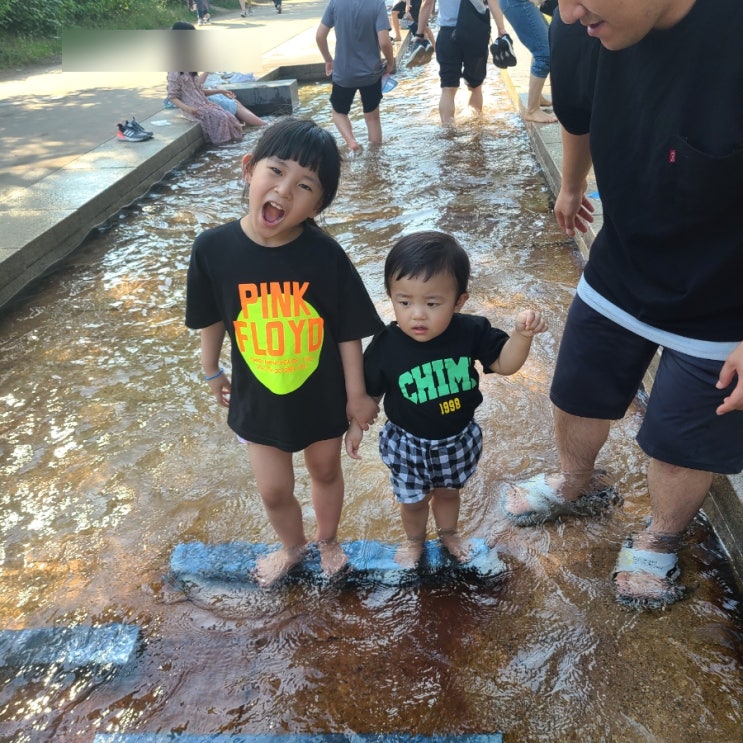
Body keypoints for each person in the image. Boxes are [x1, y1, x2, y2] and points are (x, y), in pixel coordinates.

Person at [502, 0, 743, 611]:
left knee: (681, 439)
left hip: (724, 294)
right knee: (577, 389)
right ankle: (574, 480)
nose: (571, 10)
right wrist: (571, 182)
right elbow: (577, 114)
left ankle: (661, 535)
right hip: (623, 259)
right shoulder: (580, 27)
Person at [185, 117, 384, 586]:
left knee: (325, 469)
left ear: (318, 206)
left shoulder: (324, 255)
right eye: (275, 171)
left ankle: (328, 539)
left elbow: (347, 332)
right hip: (259, 396)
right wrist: (211, 370)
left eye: (305, 185)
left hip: (321, 394)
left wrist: (356, 396)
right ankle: (292, 548)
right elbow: (212, 316)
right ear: (248, 169)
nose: (284, 190)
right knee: (273, 490)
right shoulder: (213, 249)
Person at [346, 231, 547, 567]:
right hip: (407, 442)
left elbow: (505, 364)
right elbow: (370, 393)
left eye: (432, 303)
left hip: (457, 439)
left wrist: (522, 336)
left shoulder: (471, 330)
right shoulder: (386, 345)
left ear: (459, 301)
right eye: (404, 301)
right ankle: (414, 542)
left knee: (449, 492)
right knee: (412, 501)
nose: (417, 314)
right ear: (391, 297)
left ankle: (449, 534)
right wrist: (356, 426)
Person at [415, 0, 512, 125]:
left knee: (448, 88)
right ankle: (475, 131)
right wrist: (501, 29)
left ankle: (448, 131)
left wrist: (420, 33)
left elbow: (427, 3)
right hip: (475, 32)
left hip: (448, 33)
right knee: (475, 86)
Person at [316, 0, 395, 151]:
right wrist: (390, 63)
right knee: (372, 118)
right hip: (371, 74)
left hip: (344, 74)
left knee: (339, 112)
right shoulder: (377, 4)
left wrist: (328, 60)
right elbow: (385, 42)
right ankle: (375, 159)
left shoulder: (335, 3)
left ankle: (351, 142)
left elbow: (320, 36)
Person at [167, 23, 250, 145]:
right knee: (221, 118)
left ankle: (234, 146)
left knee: (228, 116)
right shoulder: (175, 69)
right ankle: (223, 147)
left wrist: (221, 91)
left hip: (203, 104)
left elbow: (198, 90)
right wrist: (189, 109)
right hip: (193, 109)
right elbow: (172, 96)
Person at [497, 0, 557, 122]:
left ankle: (537, 98)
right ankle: (532, 110)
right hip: (518, 3)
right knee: (544, 53)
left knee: (544, 46)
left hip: (520, 2)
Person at [195, 72, 266, 127]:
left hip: (201, 96)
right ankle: (263, 125)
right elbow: (196, 88)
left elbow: (198, 89)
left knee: (233, 101)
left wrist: (220, 91)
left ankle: (254, 124)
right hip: (197, 100)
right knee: (233, 104)